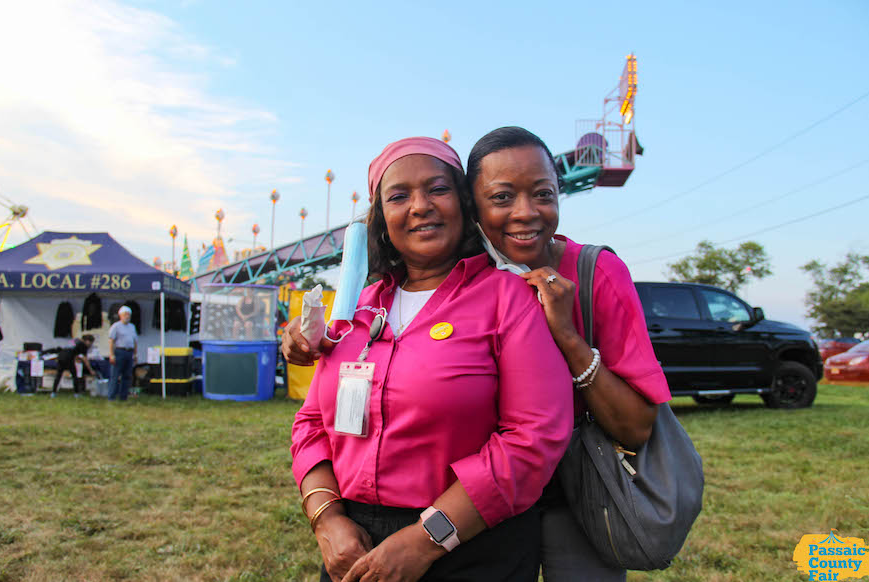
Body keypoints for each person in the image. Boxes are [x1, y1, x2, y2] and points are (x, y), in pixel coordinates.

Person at [288, 137, 573, 582]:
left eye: (437, 189)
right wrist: (327, 518)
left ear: (463, 204)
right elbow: (311, 424)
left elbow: (534, 438)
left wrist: (425, 539)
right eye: (399, 196)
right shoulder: (358, 312)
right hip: (354, 547)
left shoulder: (508, 300)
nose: (420, 206)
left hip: (474, 544)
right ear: (381, 220)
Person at [466, 126, 672, 582]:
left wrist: (568, 337)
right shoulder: (458, 277)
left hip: (576, 498)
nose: (526, 213)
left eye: (543, 194)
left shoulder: (596, 274)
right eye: (502, 198)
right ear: (471, 206)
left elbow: (636, 427)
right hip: (478, 499)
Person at [108, 305, 138, 401]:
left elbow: (135, 341)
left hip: (129, 352)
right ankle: (111, 396)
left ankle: (123, 397)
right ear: (120, 315)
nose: (127, 316)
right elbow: (111, 341)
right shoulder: (116, 326)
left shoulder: (132, 327)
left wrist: (135, 354)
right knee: (115, 375)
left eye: (129, 315)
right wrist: (111, 354)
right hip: (119, 352)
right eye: (125, 314)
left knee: (127, 375)